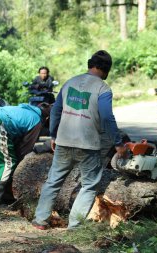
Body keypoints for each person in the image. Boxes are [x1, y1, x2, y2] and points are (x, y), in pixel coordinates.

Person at [31, 50, 127, 230]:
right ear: (106, 70)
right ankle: (74, 226)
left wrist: (53, 135)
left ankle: (40, 219)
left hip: (64, 141)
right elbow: (107, 117)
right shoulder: (103, 88)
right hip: (88, 144)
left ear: (90, 64)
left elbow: (55, 110)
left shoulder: (70, 83)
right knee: (89, 185)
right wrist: (118, 143)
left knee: (53, 180)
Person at [0, 92, 51, 209]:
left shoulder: (24, 109)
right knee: (7, 162)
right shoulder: (37, 120)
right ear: (47, 118)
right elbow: (25, 149)